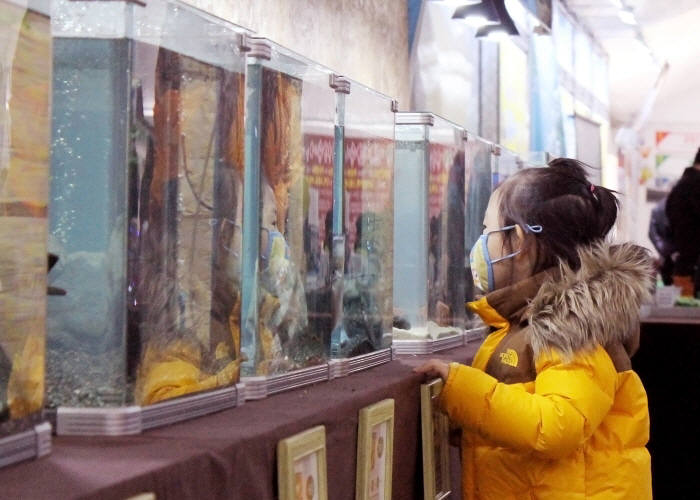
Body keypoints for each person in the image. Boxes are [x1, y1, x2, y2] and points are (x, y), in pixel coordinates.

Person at [415, 158, 654, 500]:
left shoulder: (569, 328)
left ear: (520, 240)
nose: (481, 243)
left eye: (488, 232)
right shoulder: (522, 323)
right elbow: (511, 417)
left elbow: (555, 425)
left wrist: (463, 390)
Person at [666, 147, 700, 297]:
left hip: (684, 264)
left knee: (684, 304)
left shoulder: (680, 186)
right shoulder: (695, 185)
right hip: (693, 266)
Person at [648, 194, 675, 285]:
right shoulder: (659, 209)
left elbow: (652, 234)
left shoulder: (658, 208)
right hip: (672, 254)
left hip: (668, 254)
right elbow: (652, 233)